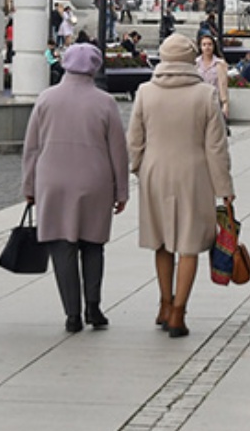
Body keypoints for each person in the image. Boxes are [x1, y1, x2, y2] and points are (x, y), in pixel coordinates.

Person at [128, 34, 234, 339]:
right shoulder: (204, 94)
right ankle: (178, 311)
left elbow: (134, 140)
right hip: (193, 173)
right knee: (188, 244)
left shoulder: (145, 92)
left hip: (155, 171)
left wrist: (139, 168)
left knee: (161, 241)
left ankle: (163, 303)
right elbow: (216, 147)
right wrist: (224, 187)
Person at [23, 43, 130, 333]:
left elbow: (31, 147)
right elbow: (118, 150)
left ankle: (72, 313)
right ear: (95, 67)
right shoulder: (105, 102)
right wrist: (121, 191)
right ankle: (93, 306)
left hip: (53, 180)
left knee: (62, 245)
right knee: (93, 244)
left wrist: (29, 184)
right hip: (94, 181)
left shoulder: (46, 99)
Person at [196, 33, 230, 119]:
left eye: (209, 44)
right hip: (199, 100)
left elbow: (223, 84)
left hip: (215, 100)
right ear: (200, 47)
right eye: (204, 44)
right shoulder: (195, 63)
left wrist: (225, 103)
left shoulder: (220, 63)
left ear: (214, 46)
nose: (207, 47)